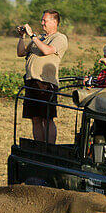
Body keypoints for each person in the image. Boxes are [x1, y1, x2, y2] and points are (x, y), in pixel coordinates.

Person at [17, 9, 68, 144]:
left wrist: (32, 35)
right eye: (42, 20)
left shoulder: (59, 38)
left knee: (47, 117)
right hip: (31, 81)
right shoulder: (40, 37)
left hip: (45, 83)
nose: (42, 23)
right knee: (35, 118)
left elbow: (46, 50)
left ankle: (50, 148)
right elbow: (21, 52)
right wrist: (22, 36)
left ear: (54, 22)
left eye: (45, 20)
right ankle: (39, 147)